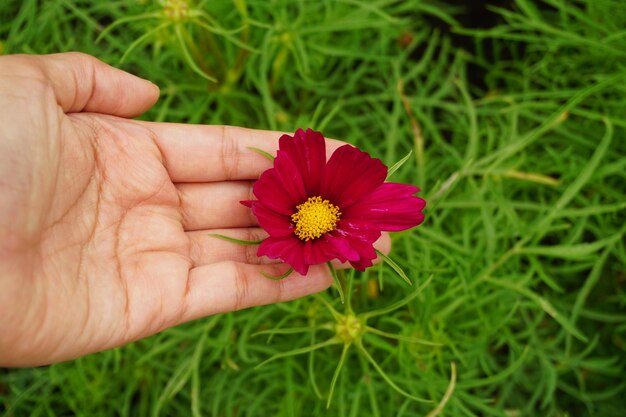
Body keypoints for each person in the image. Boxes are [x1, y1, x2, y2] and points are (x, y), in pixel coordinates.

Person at [0, 52, 390, 367]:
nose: (318, 216)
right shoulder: (292, 216)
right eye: (314, 212)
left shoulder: (334, 225)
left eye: (321, 214)